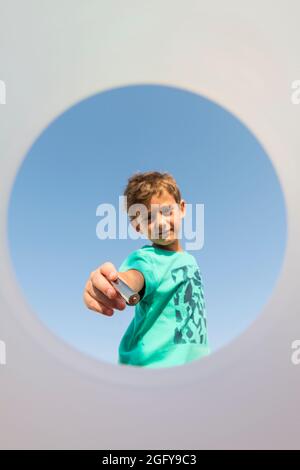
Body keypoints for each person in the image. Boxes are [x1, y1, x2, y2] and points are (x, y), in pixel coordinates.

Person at [83, 171, 210, 368]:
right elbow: (134, 277)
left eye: (167, 211)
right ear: (137, 227)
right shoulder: (147, 258)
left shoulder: (189, 260)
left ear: (182, 208)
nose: (160, 222)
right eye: (148, 217)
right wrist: (113, 281)